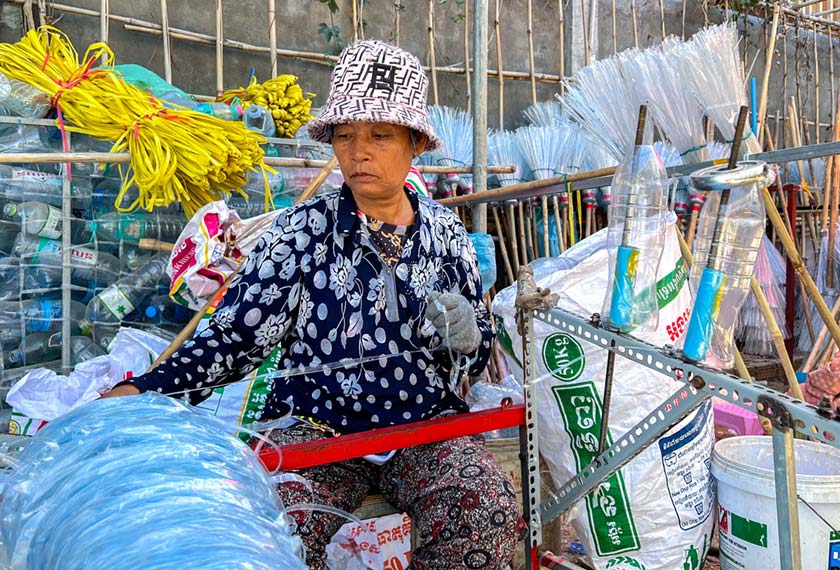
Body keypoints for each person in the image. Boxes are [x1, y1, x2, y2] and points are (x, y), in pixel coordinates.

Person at [104, 39, 523, 569]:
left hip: (423, 428)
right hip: (320, 431)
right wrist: (143, 389)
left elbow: (478, 343)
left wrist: (469, 332)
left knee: (483, 503)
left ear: (415, 142)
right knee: (268, 523)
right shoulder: (303, 232)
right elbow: (235, 337)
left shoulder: (445, 234)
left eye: (379, 135)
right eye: (345, 136)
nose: (358, 152)